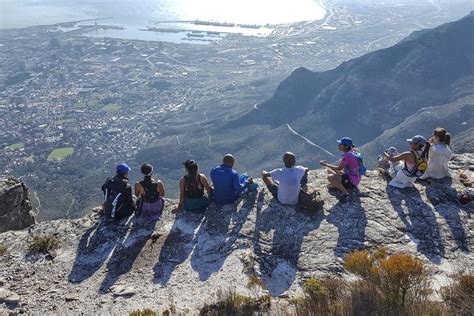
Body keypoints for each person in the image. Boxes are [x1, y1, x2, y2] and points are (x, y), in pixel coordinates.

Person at [320, 137, 362, 203]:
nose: (339, 146)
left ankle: (345, 193)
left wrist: (326, 164)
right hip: (355, 177)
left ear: (346, 146)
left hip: (352, 181)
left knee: (330, 177)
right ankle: (336, 185)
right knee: (329, 170)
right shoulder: (353, 152)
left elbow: (339, 168)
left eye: (340, 144)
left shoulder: (348, 156)